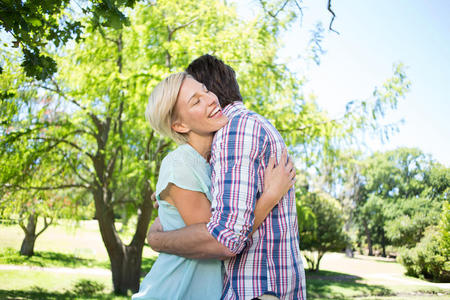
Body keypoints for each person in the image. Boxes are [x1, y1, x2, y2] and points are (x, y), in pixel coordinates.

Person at [147, 55, 306, 300]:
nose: (211, 99)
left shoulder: (210, 162)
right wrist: (270, 197)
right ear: (179, 125)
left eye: (206, 91)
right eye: (195, 101)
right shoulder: (181, 163)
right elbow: (222, 241)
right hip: (175, 291)